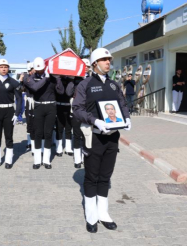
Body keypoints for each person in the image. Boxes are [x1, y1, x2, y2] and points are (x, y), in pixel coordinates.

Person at [73, 47, 130, 233]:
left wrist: (126, 118)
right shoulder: (85, 85)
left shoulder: (113, 85)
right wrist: (95, 120)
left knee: (105, 176)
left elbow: (122, 104)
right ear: (94, 63)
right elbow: (78, 109)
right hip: (94, 136)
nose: (108, 63)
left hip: (112, 137)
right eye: (104, 60)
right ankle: (91, 216)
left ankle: (103, 213)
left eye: (109, 60)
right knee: (91, 177)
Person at [24, 57, 64, 169]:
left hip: (51, 106)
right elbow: (35, 88)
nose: (40, 71)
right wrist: (46, 78)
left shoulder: (51, 77)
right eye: (38, 69)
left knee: (48, 133)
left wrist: (58, 78)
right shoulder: (30, 77)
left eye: (42, 69)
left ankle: (46, 160)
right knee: (38, 133)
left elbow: (61, 91)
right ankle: (37, 160)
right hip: (38, 106)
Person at [66, 58, 92, 169]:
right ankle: (77, 159)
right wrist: (72, 80)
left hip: (89, 110)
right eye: (84, 66)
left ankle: (85, 157)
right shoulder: (75, 79)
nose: (86, 68)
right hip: (77, 109)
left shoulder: (92, 79)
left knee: (87, 135)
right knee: (76, 134)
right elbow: (68, 92)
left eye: (87, 66)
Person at [54, 76, 73, 157]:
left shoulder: (72, 79)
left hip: (69, 106)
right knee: (59, 128)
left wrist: (71, 79)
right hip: (59, 106)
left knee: (69, 128)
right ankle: (59, 147)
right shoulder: (57, 79)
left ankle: (68, 147)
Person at [21, 63, 36, 153]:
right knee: (29, 122)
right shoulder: (27, 78)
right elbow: (22, 88)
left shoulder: (38, 77)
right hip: (29, 101)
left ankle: (35, 142)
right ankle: (29, 141)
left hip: (37, 102)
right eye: (33, 69)